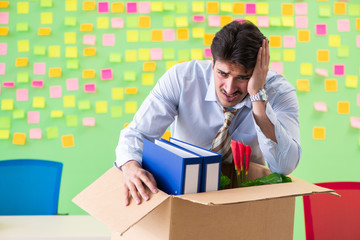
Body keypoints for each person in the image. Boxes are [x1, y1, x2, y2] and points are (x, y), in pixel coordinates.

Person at [115, 20, 301, 206]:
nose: (230, 88)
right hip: (184, 196)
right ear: (212, 63)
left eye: (242, 78)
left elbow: (284, 166)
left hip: (245, 200)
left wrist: (258, 98)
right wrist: (130, 166)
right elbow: (138, 133)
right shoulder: (182, 79)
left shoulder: (279, 93)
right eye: (223, 73)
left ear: (259, 72)